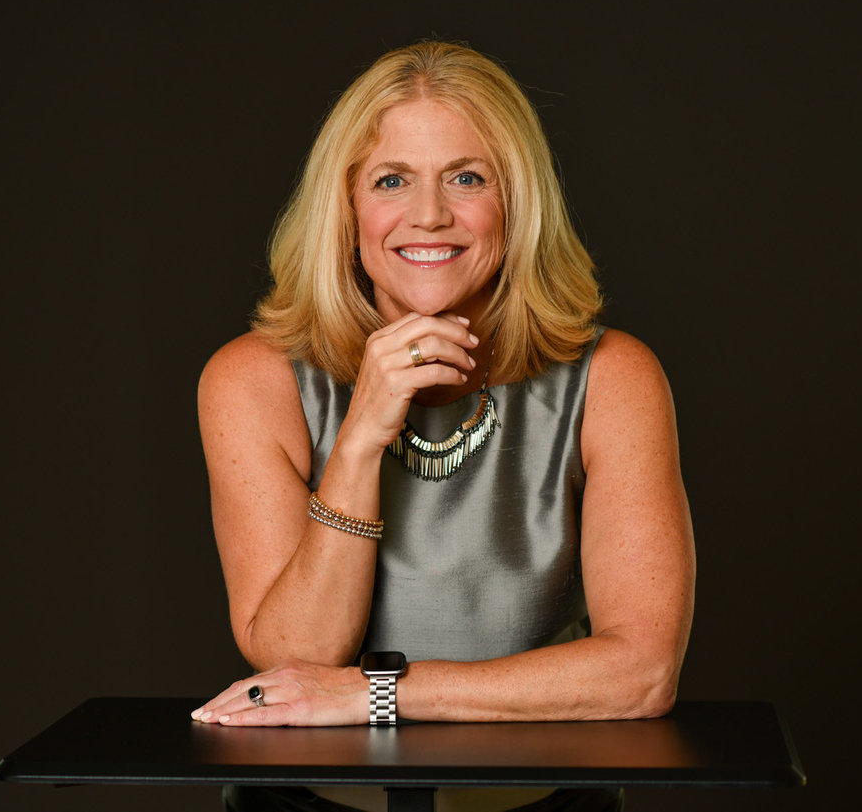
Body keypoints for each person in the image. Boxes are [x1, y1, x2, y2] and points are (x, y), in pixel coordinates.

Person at [193, 41, 695, 812]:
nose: (429, 214)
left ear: (516, 203)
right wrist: (360, 437)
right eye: (391, 180)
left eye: (467, 177)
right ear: (347, 209)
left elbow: (643, 674)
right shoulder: (251, 379)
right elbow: (296, 658)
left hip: (548, 806)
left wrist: (378, 693)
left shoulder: (615, 377)